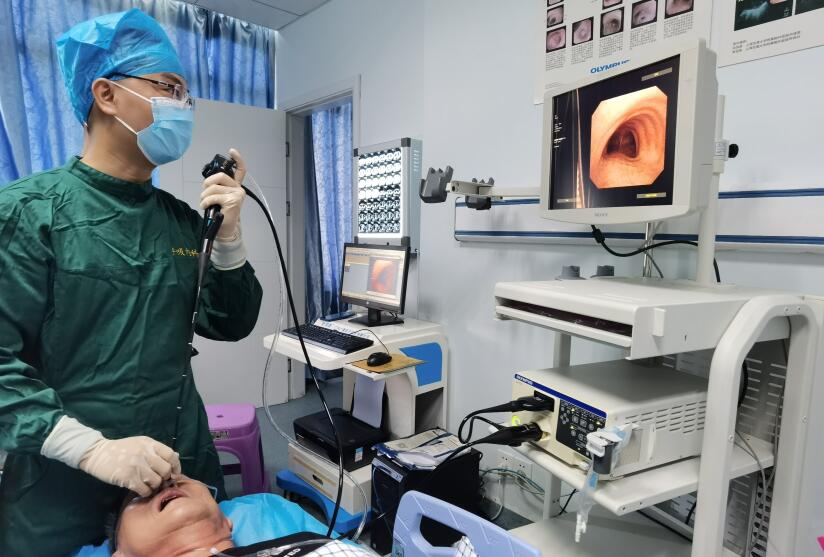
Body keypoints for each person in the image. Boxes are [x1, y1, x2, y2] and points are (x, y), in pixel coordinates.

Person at [0, 9, 263, 556]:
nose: (182, 106)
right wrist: (91, 450)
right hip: (61, 480)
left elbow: (231, 322)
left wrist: (229, 241)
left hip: (176, 462)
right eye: (169, 88)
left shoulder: (181, 221)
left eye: (186, 95)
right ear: (106, 94)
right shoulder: (27, 214)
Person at [109, 475, 377, 557]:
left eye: (180, 480)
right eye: (141, 496)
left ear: (228, 524)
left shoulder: (312, 546)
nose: (166, 483)